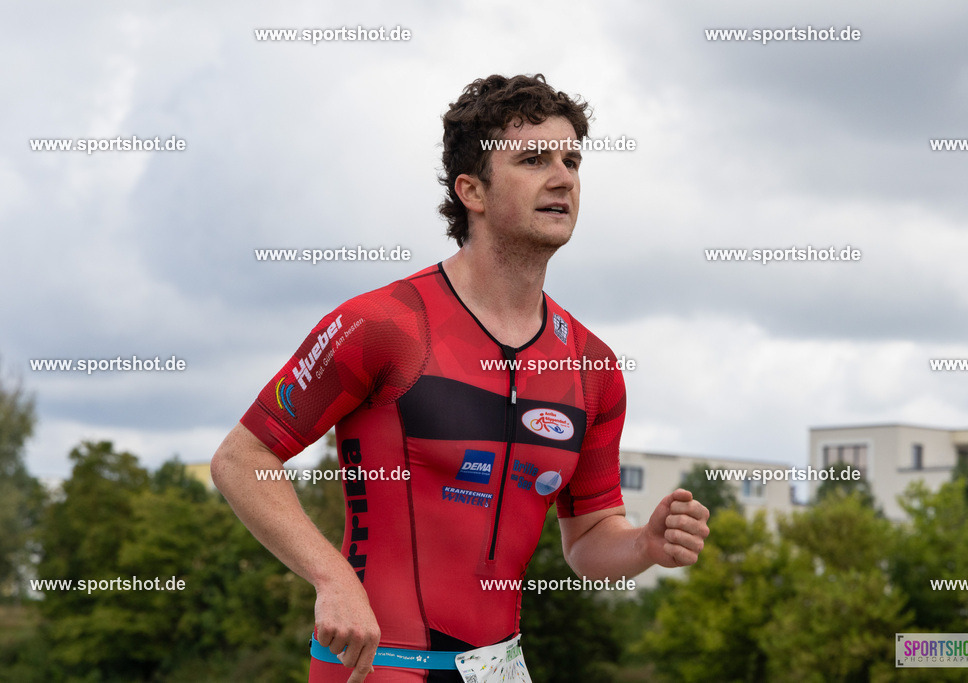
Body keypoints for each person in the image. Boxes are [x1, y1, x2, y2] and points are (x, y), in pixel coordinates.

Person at [211, 73, 710, 683]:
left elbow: (588, 542)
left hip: (501, 670)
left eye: (572, 159)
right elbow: (242, 458)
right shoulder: (382, 325)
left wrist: (644, 547)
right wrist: (331, 577)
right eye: (532, 159)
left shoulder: (593, 367)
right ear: (471, 190)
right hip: (379, 667)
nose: (563, 177)